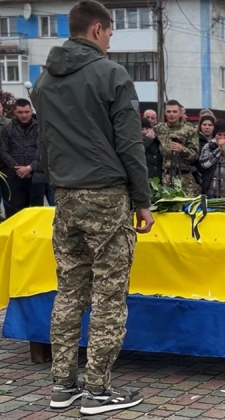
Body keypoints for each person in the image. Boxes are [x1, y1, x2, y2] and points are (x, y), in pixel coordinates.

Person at [30, 0, 155, 414]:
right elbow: (130, 143)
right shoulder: (111, 74)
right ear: (98, 29)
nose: (111, 39)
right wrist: (142, 200)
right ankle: (98, 390)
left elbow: (44, 145)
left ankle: (62, 385)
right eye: (112, 32)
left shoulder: (43, 81)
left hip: (65, 195)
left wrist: (56, 185)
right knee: (108, 296)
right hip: (106, 195)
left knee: (68, 291)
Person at [0, 98, 45, 218]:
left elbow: (43, 150)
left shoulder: (40, 128)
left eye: (26, 112)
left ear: (31, 111)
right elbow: (3, 151)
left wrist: (30, 167)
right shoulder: (7, 129)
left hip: (36, 176)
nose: (24, 115)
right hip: (15, 177)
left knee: (37, 211)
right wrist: (18, 169)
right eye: (20, 112)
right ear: (14, 112)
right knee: (16, 213)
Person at [154, 100, 200, 195]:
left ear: (180, 113)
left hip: (184, 177)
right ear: (165, 113)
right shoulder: (159, 129)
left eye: (174, 112)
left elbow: (195, 155)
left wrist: (182, 149)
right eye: (169, 111)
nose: (171, 114)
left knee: (187, 207)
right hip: (165, 177)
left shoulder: (189, 131)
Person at [141, 117, 163, 182]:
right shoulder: (136, 142)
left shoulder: (157, 142)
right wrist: (148, 139)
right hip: (145, 179)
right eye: (142, 129)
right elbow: (140, 152)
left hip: (158, 178)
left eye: (147, 129)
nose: (145, 132)